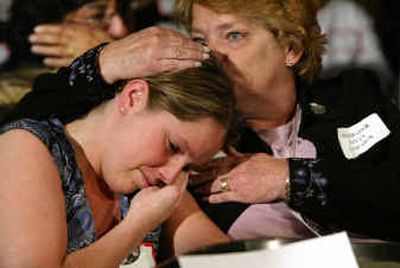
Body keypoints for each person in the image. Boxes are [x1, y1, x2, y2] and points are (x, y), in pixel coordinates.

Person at [5, 0, 400, 242]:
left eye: (233, 36)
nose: (214, 55)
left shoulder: (353, 97)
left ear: (290, 48)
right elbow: (29, 133)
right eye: (202, 39)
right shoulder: (188, 139)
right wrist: (103, 62)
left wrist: (288, 178)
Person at [0, 57, 236, 267]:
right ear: (133, 98)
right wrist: (137, 225)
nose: (171, 174)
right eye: (172, 146)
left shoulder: (151, 181)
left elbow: (225, 261)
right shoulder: (29, 148)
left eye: (187, 167)